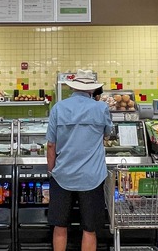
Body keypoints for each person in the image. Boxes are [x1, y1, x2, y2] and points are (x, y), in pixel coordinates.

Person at [47, 69, 113, 251]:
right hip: (92, 176)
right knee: (89, 229)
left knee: (60, 226)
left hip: (63, 175)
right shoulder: (101, 108)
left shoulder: (58, 108)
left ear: (72, 87)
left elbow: (51, 145)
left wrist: (51, 170)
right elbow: (107, 133)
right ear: (92, 90)